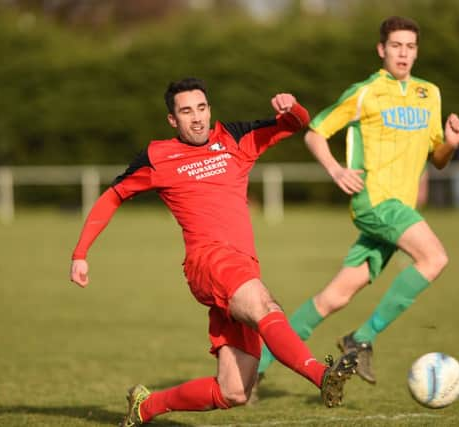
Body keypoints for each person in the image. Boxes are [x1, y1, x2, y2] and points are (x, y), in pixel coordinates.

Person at [69, 78, 358, 426]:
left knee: (233, 391)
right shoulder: (158, 156)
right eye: (186, 111)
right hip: (208, 262)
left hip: (243, 267)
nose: (197, 118)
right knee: (266, 305)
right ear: (173, 120)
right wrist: (80, 253)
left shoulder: (234, 138)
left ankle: (146, 406)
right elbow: (113, 195)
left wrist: (291, 106)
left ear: (210, 109)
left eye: (202, 108)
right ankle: (321, 376)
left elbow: (296, 123)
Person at [253, 16, 459, 398]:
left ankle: (256, 368)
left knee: (333, 297)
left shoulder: (429, 93)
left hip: (396, 209)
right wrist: (336, 170)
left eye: (410, 46)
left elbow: (438, 158)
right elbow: (316, 132)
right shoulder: (366, 91)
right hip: (375, 200)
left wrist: (450, 142)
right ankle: (360, 339)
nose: (404, 53)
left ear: (416, 51)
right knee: (434, 258)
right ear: (381, 50)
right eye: (396, 46)